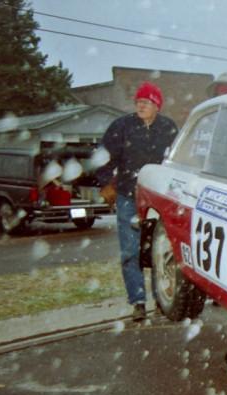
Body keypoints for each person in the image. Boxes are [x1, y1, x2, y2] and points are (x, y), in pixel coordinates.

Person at [97, 82, 178, 321]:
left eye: (147, 102)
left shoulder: (168, 128)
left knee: (158, 250)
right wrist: (105, 182)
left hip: (158, 200)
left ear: (157, 106)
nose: (141, 105)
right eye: (138, 102)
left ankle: (163, 299)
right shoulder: (121, 127)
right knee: (130, 252)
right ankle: (138, 302)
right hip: (128, 197)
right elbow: (103, 157)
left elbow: (179, 161)